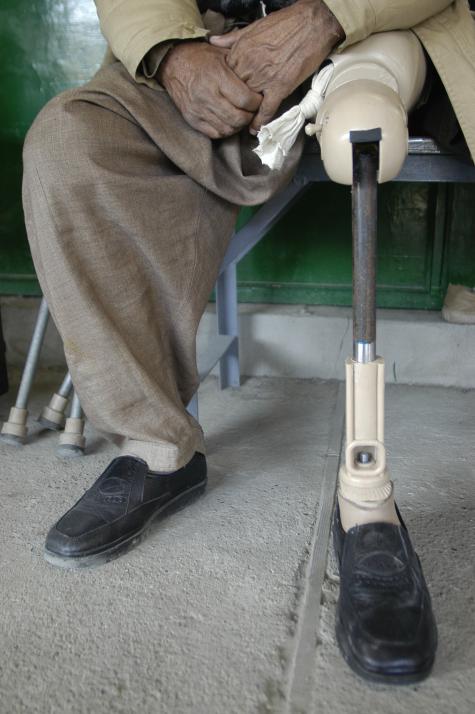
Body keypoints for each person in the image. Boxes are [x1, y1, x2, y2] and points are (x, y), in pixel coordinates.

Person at [21, 0, 475, 683]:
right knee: (68, 141)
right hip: (212, 44)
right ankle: (156, 450)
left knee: (362, 132)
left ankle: (365, 497)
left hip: (385, 31)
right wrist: (170, 53)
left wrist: (332, 13)